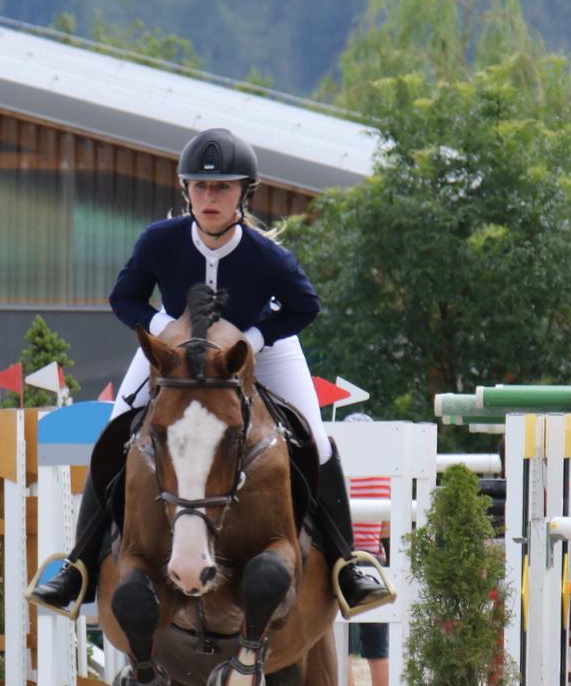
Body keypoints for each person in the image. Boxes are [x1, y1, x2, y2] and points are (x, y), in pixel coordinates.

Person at [26, 126, 396, 621]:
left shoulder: (267, 255)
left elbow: (305, 307)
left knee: (316, 440)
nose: (210, 197)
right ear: (186, 190)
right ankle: (79, 566)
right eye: (200, 186)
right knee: (115, 432)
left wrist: (253, 339)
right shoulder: (159, 241)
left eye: (222, 187)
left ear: (245, 194)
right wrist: (166, 328)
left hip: (259, 347)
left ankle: (348, 564)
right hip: (175, 351)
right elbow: (124, 299)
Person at [341, 413, 390, 686]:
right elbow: (385, 529)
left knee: (342, 648)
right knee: (378, 649)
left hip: (342, 563)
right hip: (374, 561)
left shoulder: (339, 473)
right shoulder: (385, 473)